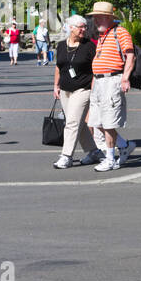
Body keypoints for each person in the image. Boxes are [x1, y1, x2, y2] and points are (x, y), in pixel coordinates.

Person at [87, 1, 137, 172]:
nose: (95, 20)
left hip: (112, 81)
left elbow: (130, 56)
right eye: (94, 17)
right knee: (96, 121)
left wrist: (125, 79)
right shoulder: (103, 35)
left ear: (108, 17)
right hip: (99, 82)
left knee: (108, 123)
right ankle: (124, 145)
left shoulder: (120, 32)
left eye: (99, 17)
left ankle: (110, 158)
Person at [51, 15, 101, 169]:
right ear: (71, 28)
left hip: (83, 89)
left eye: (85, 27)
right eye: (80, 27)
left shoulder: (89, 46)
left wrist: (93, 87)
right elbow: (59, 67)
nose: (83, 30)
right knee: (77, 123)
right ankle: (94, 152)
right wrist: (56, 85)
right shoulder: (60, 46)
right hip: (65, 90)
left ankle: (66, 156)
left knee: (72, 122)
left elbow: (96, 69)